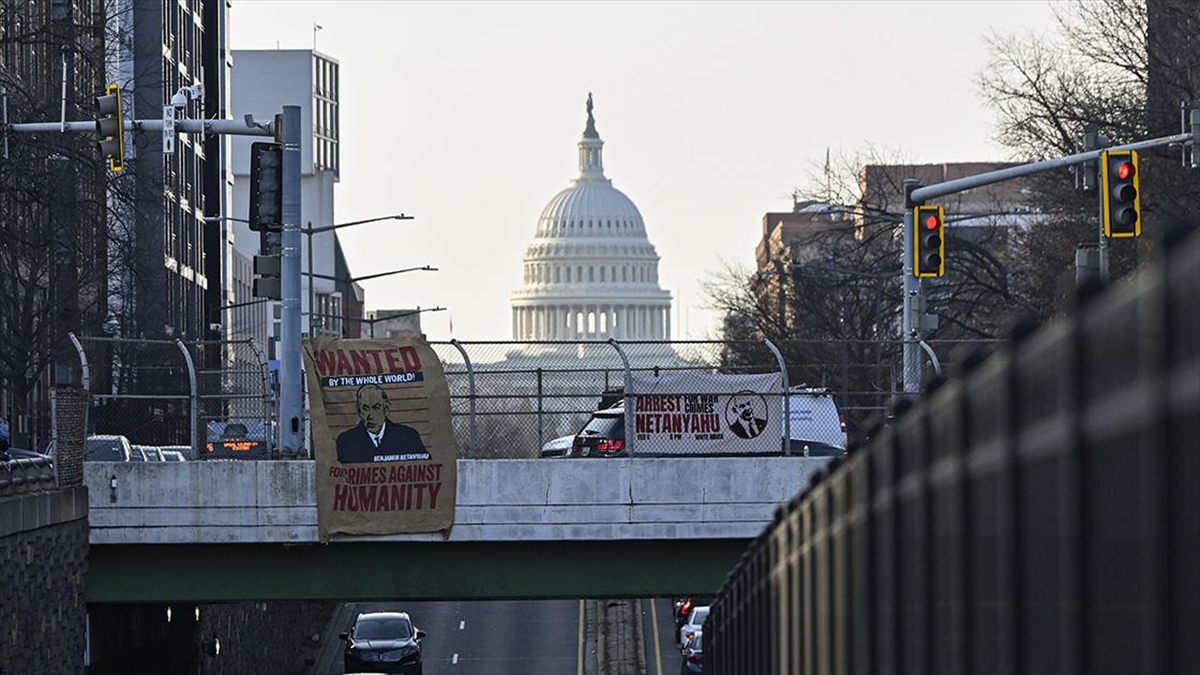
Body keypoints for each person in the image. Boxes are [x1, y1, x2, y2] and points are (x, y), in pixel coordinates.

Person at [336, 384, 429, 464]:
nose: (371, 416)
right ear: (359, 411)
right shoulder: (346, 441)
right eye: (365, 408)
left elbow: (427, 468)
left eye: (376, 407)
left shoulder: (408, 437)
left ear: (386, 409)